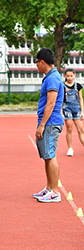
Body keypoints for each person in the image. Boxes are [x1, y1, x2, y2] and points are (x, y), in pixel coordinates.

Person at [32, 48, 64, 203]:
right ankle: (49, 188)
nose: (36, 66)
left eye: (36, 62)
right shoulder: (50, 77)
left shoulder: (52, 78)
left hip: (50, 122)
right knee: (47, 156)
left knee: (50, 156)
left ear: (42, 62)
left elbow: (51, 104)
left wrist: (42, 124)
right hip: (49, 122)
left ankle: (55, 192)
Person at [62, 68, 84, 156]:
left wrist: (82, 111)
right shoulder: (63, 86)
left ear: (74, 75)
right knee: (69, 129)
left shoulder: (78, 86)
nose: (70, 78)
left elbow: (81, 99)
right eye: (68, 76)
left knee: (81, 130)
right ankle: (70, 148)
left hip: (77, 109)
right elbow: (60, 100)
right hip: (67, 109)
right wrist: (60, 112)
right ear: (65, 76)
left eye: (71, 76)